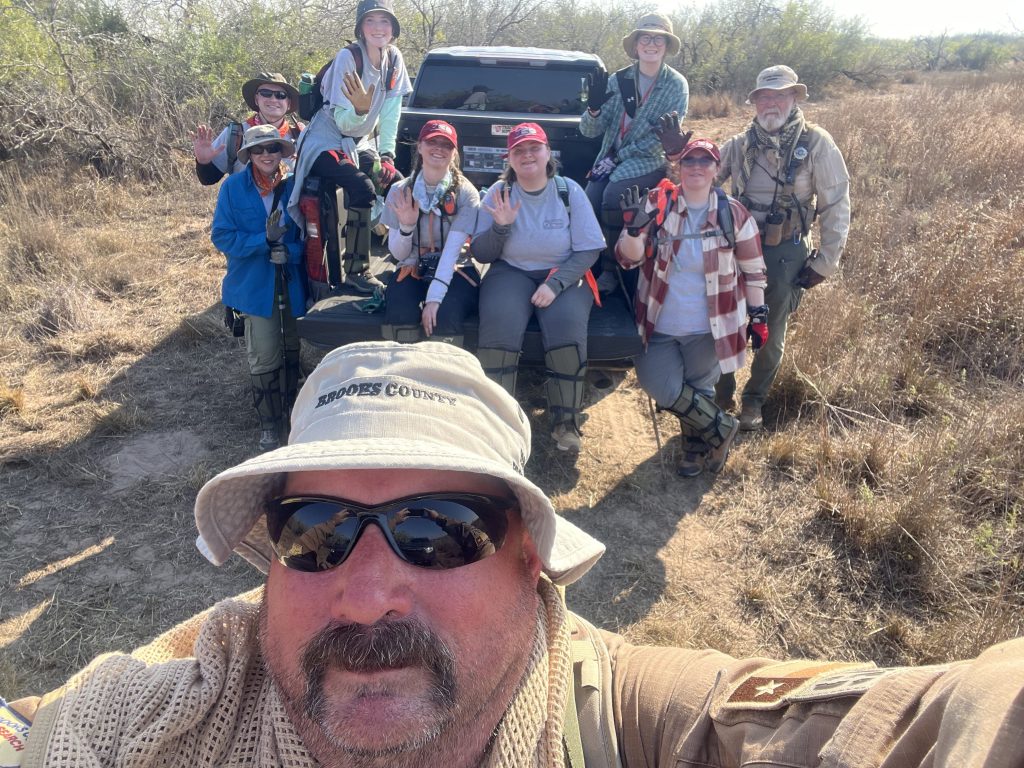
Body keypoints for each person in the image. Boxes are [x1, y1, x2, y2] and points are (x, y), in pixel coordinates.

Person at [8, 341, 1024, 768]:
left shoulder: (633, 723)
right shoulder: (168, 706)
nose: (364, 595)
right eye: (314, 533)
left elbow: (936, 724)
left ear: (530, 560)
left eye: (439, 529)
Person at [616, 132, 767, 477]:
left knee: (700, 387)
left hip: (710, 326)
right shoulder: (658, 202)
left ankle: (694, 450)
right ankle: (721, 427)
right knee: (661, 385)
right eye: (689, 160)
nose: (696, 167)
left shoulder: (735, 215)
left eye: (705, 161)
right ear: (678, 165)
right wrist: (634, 232)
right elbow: (628, 260)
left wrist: (758, 315)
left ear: (717, 168)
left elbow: (754, 271)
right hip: (658, 322)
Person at [714, 65, 851, 431]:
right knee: (725, 319)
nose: (771, 103)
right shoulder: (741, 143)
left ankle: (753, 401)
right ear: (755, 102)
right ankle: (720, 392)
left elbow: (836, 202)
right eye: (764, 97)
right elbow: (704, 176)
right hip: (735, 244)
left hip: (784, 249)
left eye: (779, 95)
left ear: (794, 99)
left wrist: (826, 261)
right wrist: (680, 155)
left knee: (771, 329)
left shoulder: (816, 142)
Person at [472, 122, 606, 453]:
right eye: (519, 150)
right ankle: (495, 422)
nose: (527, 155)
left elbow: (589, 249)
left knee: (565, 328)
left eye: (535, 148)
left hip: (564, 271)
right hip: (511, 270)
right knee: (499, 325)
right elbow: (481, 252)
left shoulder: (568, 191)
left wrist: (556, 283)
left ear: (548, 154)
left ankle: (565, 423)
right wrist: (500, 229)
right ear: (510, 158)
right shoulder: (497, 193)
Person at [288, 0, 413, 294]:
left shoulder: (394, 60)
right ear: (361, 28)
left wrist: (387, 155)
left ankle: (407, 256)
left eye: (385, 22)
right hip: (326, 139)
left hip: (359, 141)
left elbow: (391, 114)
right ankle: (357, 270)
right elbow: (343, 123)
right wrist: (359, 110)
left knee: (397, 184)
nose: (378, 28)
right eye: (372, 21)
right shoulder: (348, 58)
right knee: (362, 187)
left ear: (393, 29)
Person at [211, 124, 306, 453]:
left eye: (273, 148)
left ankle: (292, 414)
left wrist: (289, 252)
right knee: (264, 354)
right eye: (259, 149)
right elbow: (222, 237)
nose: (266, 154)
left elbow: (308, 239)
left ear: (282, 152)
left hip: (291, 283)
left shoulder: (295, 187)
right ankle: (269, 424)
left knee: (292, 347)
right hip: (252, 285)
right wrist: (262, 242)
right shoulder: (232, 188)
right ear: (249, 155)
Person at [579, 13, 689, 295]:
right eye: (645, 38)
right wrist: (592, 110)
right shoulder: (617, 80)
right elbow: (591, 131)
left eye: (658, 39)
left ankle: (613, 268)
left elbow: (660, 140)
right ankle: (586, 264)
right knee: (587, 200)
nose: (651, 44)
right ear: (636, 44)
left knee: (612, 197)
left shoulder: (676, 85)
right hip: (610, 158)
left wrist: (620, 156)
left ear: (666, 45)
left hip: (646, 159)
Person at [380, 120, 480, 346]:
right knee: (400, 314)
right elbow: (398, 253)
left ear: (454, 153)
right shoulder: (399, 191)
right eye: (432, 141)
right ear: (419, 146)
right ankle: (403, 374)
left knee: (444, 315)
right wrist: (406, 227)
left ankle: (444, 376)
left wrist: (433, 300)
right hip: (412, 265)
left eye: (446, 145)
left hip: (457, 268)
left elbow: (453, 252)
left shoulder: (466, 194)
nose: (439, 148)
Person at [191, 73, 304, 186]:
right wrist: (203, 162)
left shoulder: (300, 137)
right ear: (256, 99)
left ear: (288, 103)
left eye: (281, 95)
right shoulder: (235, 135)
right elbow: (208, 179)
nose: (273, 99)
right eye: (266, 93)